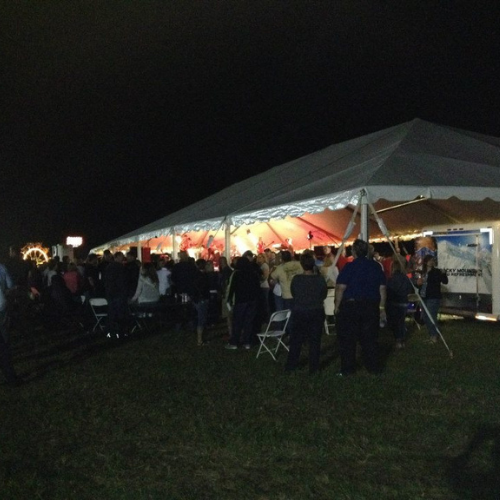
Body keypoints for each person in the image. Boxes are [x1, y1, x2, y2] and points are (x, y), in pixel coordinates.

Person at [334, 239, 387, 376]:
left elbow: (340, 287)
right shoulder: (375, 267)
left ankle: (348, 369)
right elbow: (382, 288)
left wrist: (337, 306)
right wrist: (381, 307)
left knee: (348, 340)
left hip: (351, 306)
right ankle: (373, 368)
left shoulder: (349, 267)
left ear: (354, 251)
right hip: (370, 306)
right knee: (370, 339)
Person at [285, 253, 328, 374]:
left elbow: (294, 293)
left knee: (296, 340)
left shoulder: (297, 279)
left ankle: (291, 366)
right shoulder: (320, 279)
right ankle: (313, 368)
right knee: (315, 341)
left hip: (299, 311)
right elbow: (323, 295)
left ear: (302, 264)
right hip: (316, 311)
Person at [225, 256, 261, 350]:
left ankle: (234, 342)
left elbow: (231, 287)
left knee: (237, 322)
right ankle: (247, 342)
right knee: (249, 322)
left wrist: (228, 299)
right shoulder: (253, 274)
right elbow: (257, 288)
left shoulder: (236, 274)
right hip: (252, 300)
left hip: (241, 300)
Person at [0, 263, 23, 386]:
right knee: (3, 343)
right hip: (1, 307)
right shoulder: (2, 267)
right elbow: (11, 287)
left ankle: (11, 377)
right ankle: (11, 377)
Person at [418, 255, 448, 343]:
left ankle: (435, 335)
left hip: (433, 297)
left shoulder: (436, 272)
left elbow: (445, 281)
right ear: (426, 262)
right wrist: (418, 283)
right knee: (425, 317)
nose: (431, 262)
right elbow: (420, 285)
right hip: (424, 297)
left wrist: (444, 274)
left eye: (432, 260)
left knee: (431, 317)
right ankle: (431, 335)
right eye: (430, 260)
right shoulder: (423, 272)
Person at [386, 256, 413, 349]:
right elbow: (409, 289)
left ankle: (398, 340)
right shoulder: (405, 278)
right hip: (404, 302)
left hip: (394, 303)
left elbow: (389, 291)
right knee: (401, 322)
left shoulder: (391, 279)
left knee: (395, 323)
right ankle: (402, 340)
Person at [104, 252, 128, 339]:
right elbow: (122, 281)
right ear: (117, 257)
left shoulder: (109, 267)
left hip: (111, 293)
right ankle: (120, 331)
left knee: (112, 312)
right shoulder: (120, 267)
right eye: (121, 256)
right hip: (119, 293)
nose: (123, 258)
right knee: (120, 312)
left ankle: (111, 330)